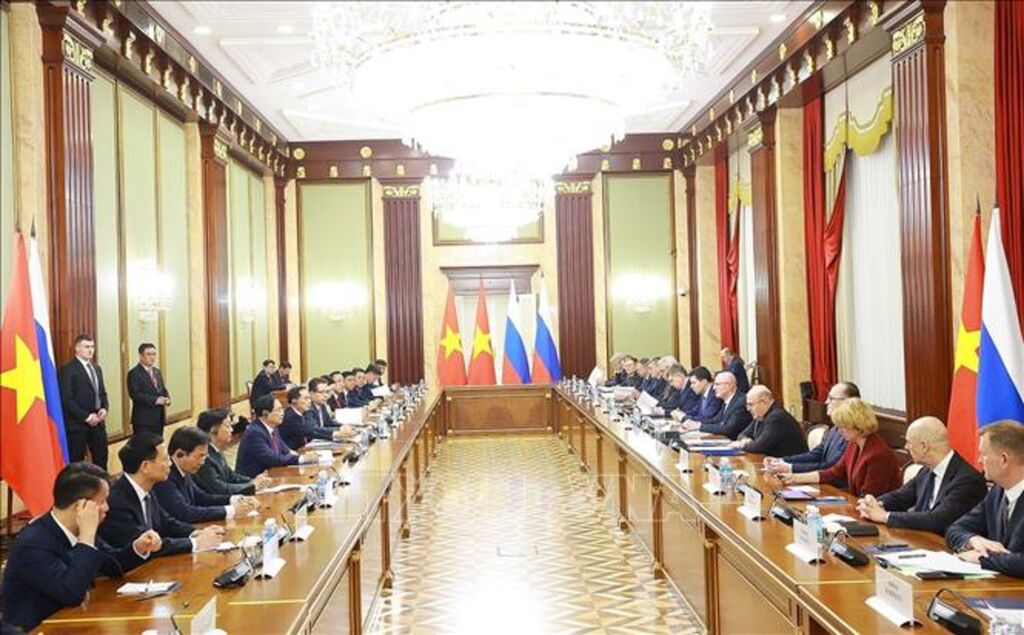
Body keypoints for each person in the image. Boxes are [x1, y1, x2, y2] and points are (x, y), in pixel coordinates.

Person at [1, 462, 162, 632]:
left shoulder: (79, 529)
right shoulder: (33, 544)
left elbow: (112, 565)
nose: (107, 508)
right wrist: (86, 538)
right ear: (80, 507)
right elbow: (72, 593)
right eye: (102, 502)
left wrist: (138, 547)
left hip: (75, 621)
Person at [99, 434, 224, 557]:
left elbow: (166, 523)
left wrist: (196, 533)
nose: (170, 464)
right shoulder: (117, 500)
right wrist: (195, 543)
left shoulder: (146, 488)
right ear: (145, 466)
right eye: (165, 459)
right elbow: (148, 544)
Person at [856, 417, 986, 534]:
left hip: (946, 547)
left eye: (909, 442)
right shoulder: (927, 470)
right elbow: (901, 497)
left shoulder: (968, 480)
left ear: (924, 446)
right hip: (922, 541)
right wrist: (874, 503)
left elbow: (937, 520)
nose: (906, 447)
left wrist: (885, 516)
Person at [947, 421, 1024, 578]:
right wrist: (973, 540)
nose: (979, 460)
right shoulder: (997, 491)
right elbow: (955, 529)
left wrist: (982, 558)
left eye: (983, 454)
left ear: (1004, 459)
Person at [780, 398, 900, 496]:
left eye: (843, 426)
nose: (839, 430)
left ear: (858, 425)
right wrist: (795, 478)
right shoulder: (854, 444)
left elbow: (870, 496)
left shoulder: (878, 455)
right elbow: (833, 473)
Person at [153, 427, 260, 523]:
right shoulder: (165, 477)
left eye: (205, 456)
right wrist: (231, 510)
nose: (203, 462)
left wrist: (234, 500)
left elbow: (201, 498)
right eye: (200, 456)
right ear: (180, 454)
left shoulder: (185, 470)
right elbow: (185, 513)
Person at [764, 382, 859, 483]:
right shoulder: (834, 428)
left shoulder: (852, 432)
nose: (826, 402)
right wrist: (781, 460)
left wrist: (790, 468)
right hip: (823, 482)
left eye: (831, 398)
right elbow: (816, 454)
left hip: (838, 487)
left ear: (847, 402)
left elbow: (831, 467)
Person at [59, 334, 110, 469]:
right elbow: (66, 399)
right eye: (86, 347)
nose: (90, 350)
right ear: (77, 348)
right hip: (77, 425)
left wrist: (104, 408)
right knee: (77, 465)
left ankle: (103, 483)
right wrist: (87, 417)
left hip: (98, 423)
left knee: (101, 460)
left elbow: (102, 393)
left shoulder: (97, 368)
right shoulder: (67, 370)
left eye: (92, 347)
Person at [235, 395, 319, 478]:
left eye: (282, 409)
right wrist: (302, 459)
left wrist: (304, 456)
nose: (282, 413)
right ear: (265, 413)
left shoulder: (273, 428)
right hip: (253, 480)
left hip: (272, 475)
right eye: (278, 410)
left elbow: (285, 450)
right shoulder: (255, 433)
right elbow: (272, 459)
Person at [194, 408, 272, 496]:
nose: (231, 430)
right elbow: (219, 488)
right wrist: (251, 486)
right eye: (227, 426)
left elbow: (231, 476)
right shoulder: (204, 457)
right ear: (213, 429)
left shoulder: (216, 450)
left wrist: (254, 481)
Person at [731, 386, 808, 457]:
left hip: (791, 464)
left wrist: (741, 445)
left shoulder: (776, 417)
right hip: (773, 462)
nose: (748, 409)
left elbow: (758, 447)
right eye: (747, 405)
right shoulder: (760, 415)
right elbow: (742, 435)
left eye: (751, 405)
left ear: (763, 402)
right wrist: (744, 440)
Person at [680, 371, 751, 440]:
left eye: (717, 384)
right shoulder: (727, 401)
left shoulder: (740, 402)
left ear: (729, 385)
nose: (714, 388)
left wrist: (700, 426)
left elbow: (728, 429)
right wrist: (695, 424)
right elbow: (715, 420)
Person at [127, 342, 170, 438]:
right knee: (144, 446)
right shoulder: (134, 373)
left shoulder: (157, 371)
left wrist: (167, 398)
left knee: (158, 445)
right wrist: (156, 400)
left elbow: (162, 389)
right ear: (141, 356)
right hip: (143, 421)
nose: (152, 357)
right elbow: (135, 394)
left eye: (154, 354)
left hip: (159, 419)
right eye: (149, 354)